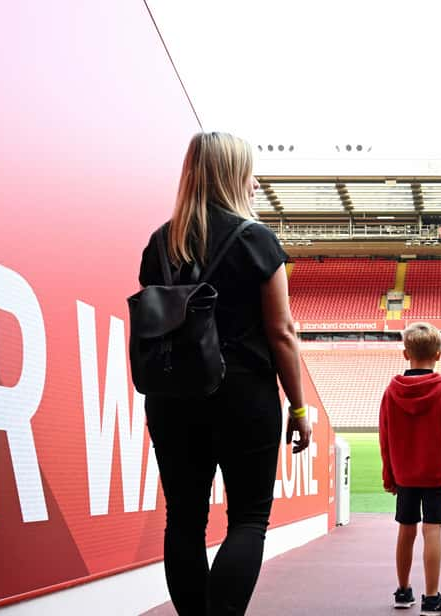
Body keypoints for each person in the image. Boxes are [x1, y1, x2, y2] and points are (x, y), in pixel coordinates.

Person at [139, 132, 311, 615]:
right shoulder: (256, 239)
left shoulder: (159, 242)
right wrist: (298, 409)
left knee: (184, 521)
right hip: (243, 392)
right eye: (250, 171)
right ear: (235, 175)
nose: (256, 182)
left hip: (172, 394)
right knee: (249, 519)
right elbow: (282, 333)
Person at [378, 322, 441, 615]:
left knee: (406, 530)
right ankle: (431, 597)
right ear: (438, 355)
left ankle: (403, 592)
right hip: (436, 474)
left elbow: (385, 438)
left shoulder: (391, 393)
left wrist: (389, 474)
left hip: (404, 475)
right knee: (432, 531)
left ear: (405, 354)